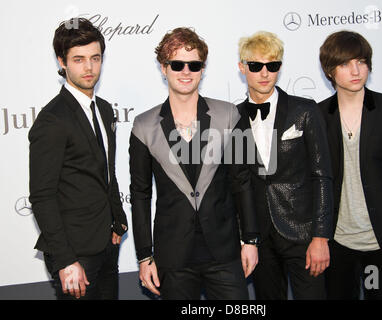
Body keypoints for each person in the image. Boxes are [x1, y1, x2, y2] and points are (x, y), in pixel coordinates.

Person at [129, 27, 259, 300]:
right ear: (163, 68)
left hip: (224, 252)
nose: (186, 71)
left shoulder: (231, 115)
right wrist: (144, 256)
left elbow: (242, 181)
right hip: (173, 256)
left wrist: (250, 240)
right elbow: (140, 194)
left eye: (194, 64)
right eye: (177, 64)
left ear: (202, 69)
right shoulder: (143, 125)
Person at [28, 18, 128, 300]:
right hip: (73, 253)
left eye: (95, 58)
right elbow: (42, 196)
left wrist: (117, 219)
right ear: (62, 61)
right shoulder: (52, 120)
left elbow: (106, 171)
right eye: (79, 59)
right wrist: (65, 260)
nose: (88, 67)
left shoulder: (106, 110)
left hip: (106, 244)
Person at [318, 30, 382, 300]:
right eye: (345, 63)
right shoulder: (318, 115)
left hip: (381, 243)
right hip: (337, 243)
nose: (355, 70)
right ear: (330, 71)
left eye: (361, 61)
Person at [236, 31, 333, 300]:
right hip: (260, 239)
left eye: (273, 65)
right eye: (256, 66)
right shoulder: (234, 118)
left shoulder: (304, 110)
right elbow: (237, 183)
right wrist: (246, 239)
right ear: (242, 67)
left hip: (303, 234)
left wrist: (321, 237)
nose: (264, 73)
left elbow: (322, 176)